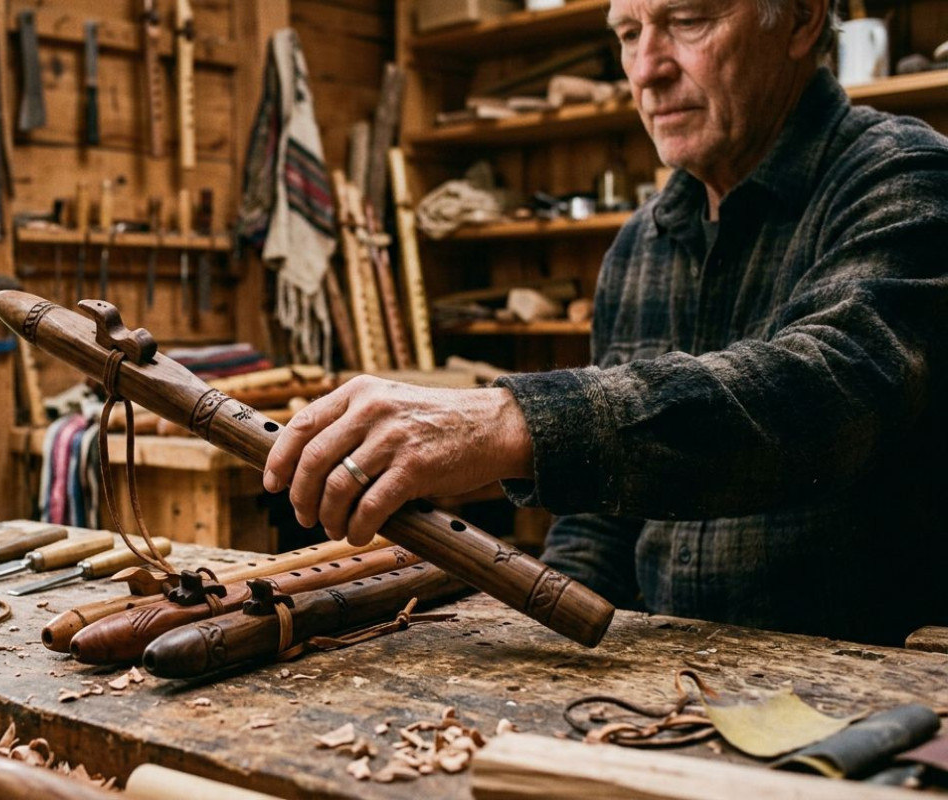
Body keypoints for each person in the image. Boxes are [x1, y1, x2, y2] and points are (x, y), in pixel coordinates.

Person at [262, 0, 948, 646]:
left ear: (799, 18)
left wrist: (513, 423)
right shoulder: (639, 245)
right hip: (665, 679)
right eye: (627, 34)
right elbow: (599, 525)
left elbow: (824, 393)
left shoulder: (905, 180)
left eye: (686, 20)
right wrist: (547, 640)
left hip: (860, 686)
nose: (647, 68)